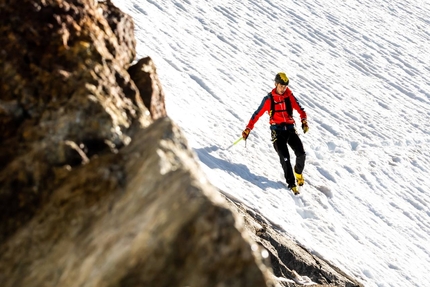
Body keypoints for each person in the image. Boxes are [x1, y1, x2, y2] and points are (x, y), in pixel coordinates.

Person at [242, 72, 309, 195]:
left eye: (285, 86)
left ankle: (298, 172)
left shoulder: (290, 96)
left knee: (301, 154)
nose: (283, 89)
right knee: (285, 158)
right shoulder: (268, 100)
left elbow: (301, 110)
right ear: (276, 84)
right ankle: (291, 184)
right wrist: (248, 129)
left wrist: (304, 121)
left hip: (290, 129)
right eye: (281, 86)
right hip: (277, 132)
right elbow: (256, 114)